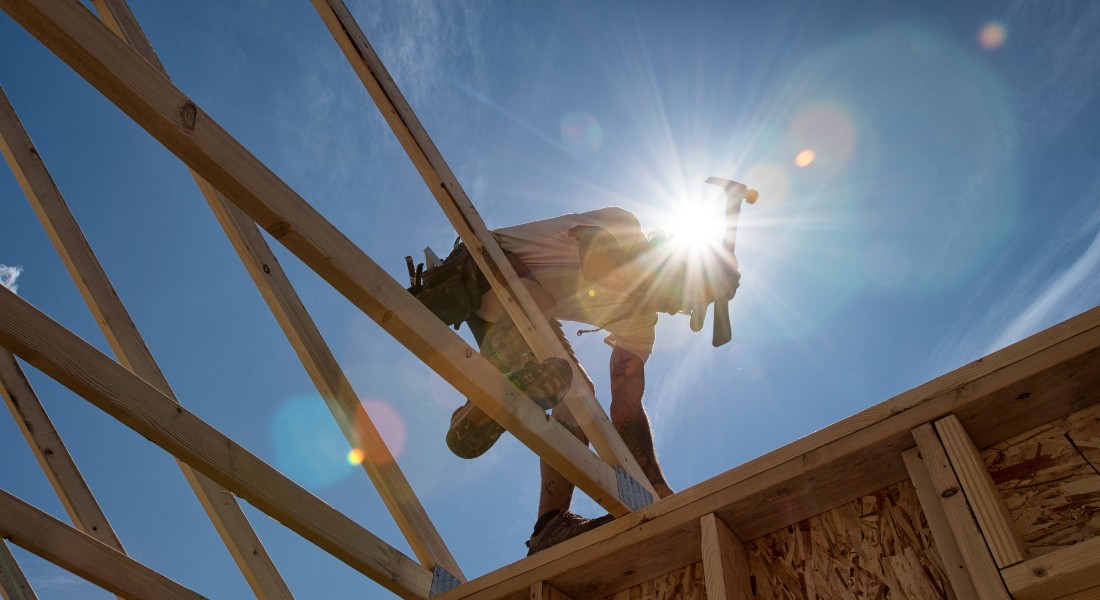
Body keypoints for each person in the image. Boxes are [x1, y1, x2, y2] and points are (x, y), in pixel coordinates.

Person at [409, 206, 739, 555]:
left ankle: (548, 527)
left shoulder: (640, 323)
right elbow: (599, 268)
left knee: (580, 395)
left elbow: (627, 405)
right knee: (537, 301)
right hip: (479, 266)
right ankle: (479, 399)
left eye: (688, 308)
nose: (677, 308)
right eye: (683, 295)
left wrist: (655, 486)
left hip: (517, 315)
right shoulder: (622, 228)